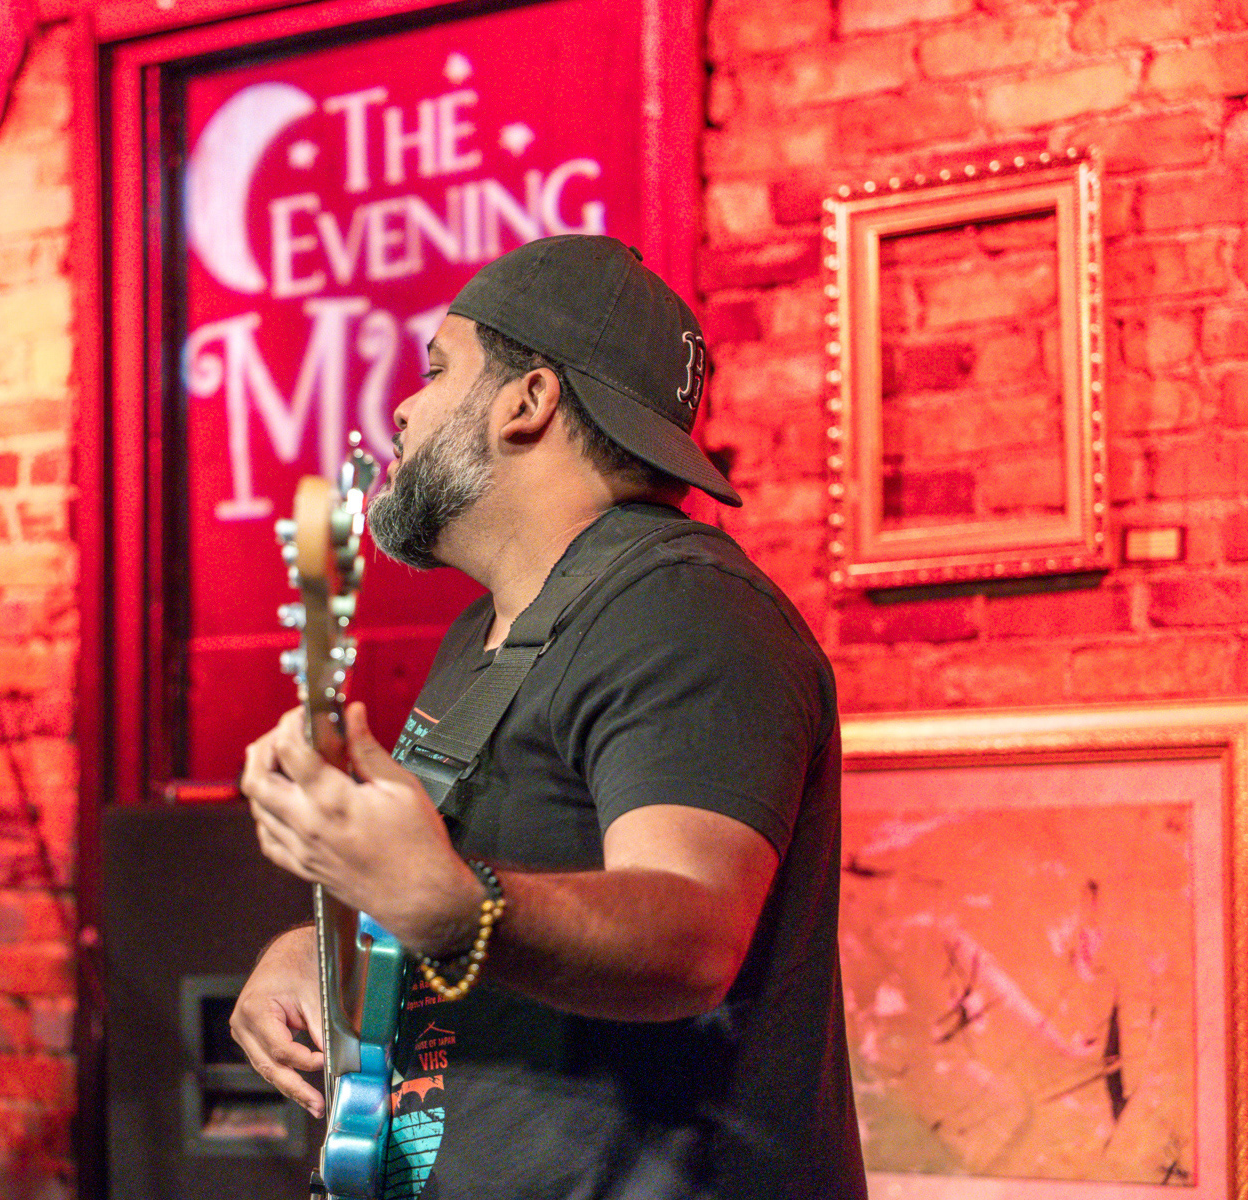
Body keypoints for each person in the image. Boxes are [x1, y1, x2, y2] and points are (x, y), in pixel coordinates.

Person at [232, 235, 866, 1198]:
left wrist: (459, 908)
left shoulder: (686, 608)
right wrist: (316, 956)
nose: (401, 409)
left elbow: (694, 932)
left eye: (438, 371)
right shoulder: (484, 632)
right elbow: (452, 899)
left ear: (527, 401)